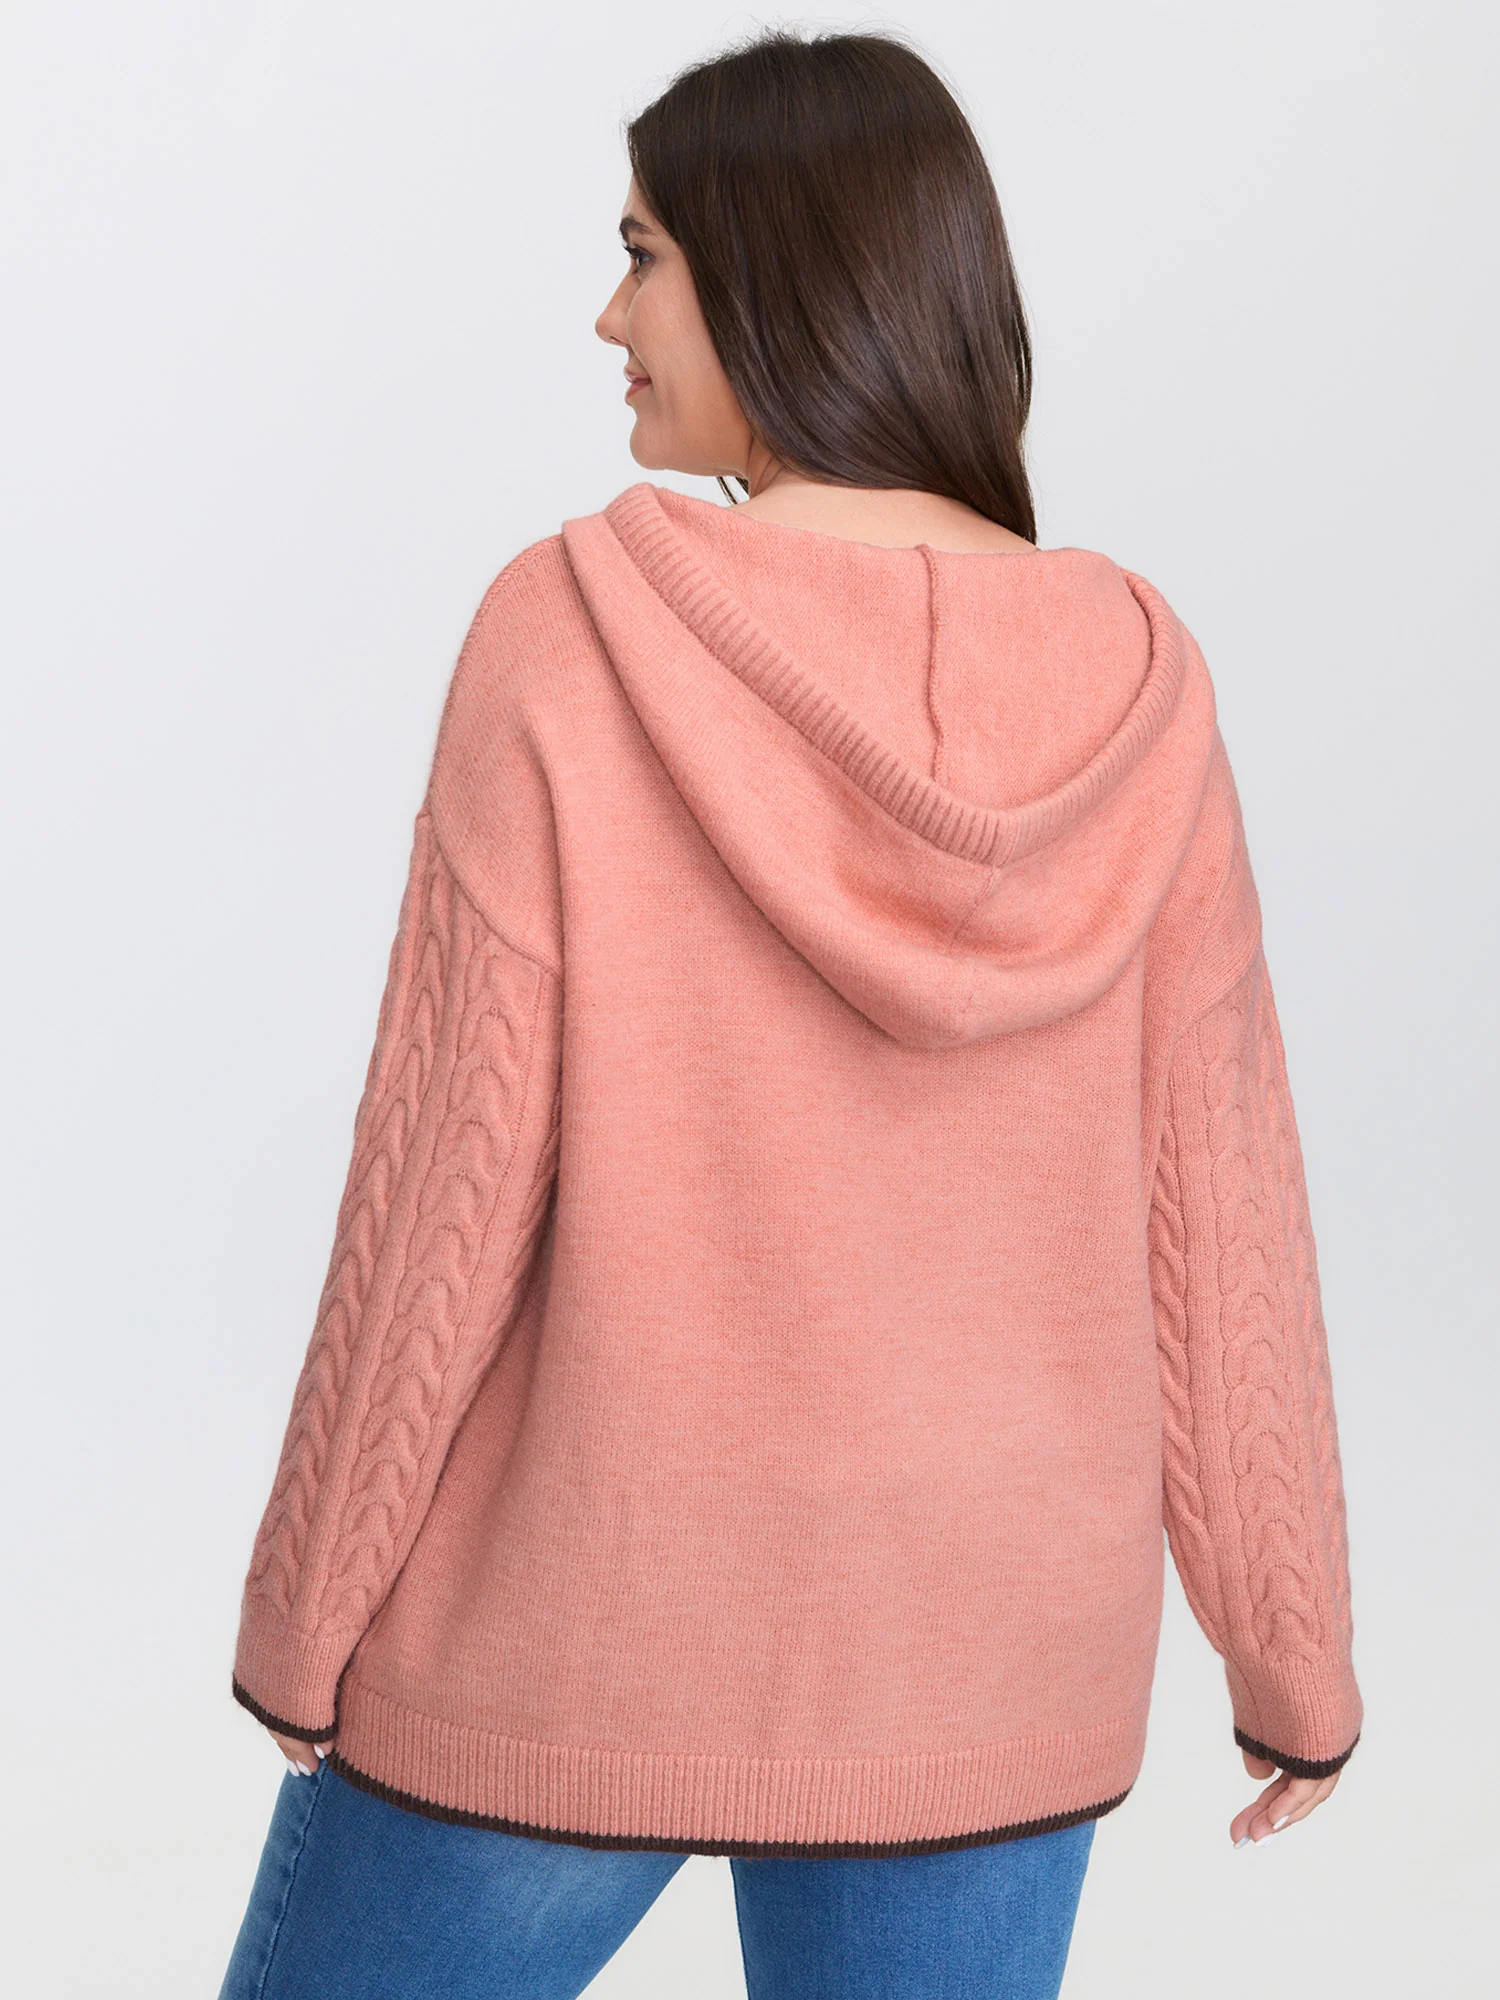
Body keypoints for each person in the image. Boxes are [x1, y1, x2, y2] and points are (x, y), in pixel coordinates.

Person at [217, 26, 1364, 2000]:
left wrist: (300, 1618)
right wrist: (1294, 1652)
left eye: (642, 253)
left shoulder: (569, 631)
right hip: (989, 1658)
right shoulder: (1145, 685)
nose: (607, 315)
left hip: (584, 1618)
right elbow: (1227, 1211)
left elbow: (439, 1192)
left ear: (779, 269)